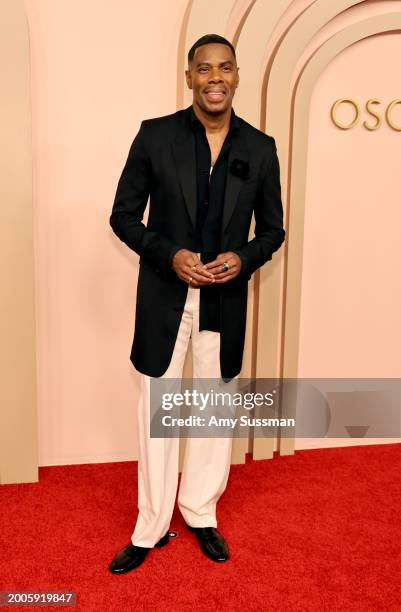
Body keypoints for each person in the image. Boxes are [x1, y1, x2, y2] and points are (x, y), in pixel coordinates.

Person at [108, 33, 285, 574]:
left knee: (213, 412)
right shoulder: (154, 136)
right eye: (203, 68)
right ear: (189, 77)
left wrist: (244, 257)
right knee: (158, 414)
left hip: (225, 303)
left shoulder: (260, 147)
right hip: (164, 297)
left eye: (224, 68)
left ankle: (201, 513)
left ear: (236, 76)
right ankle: (151, 525)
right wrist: (172, 254)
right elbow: (122, 216)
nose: (215, 77)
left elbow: (274, 230)